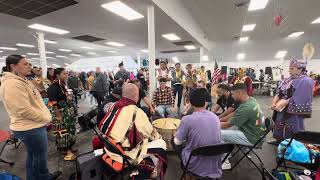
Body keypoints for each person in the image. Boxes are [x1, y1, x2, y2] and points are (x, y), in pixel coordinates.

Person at [0, 55, 61, 180]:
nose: (30, 66)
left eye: (29, 63)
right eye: (25, 64)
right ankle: (44, 177)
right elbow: (23, 110)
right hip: (30, 128)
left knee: (33, 156)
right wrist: (45, 118)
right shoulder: (12, 84)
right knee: (40, 158)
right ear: (13, 66)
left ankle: (35, 177)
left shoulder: (21, 80)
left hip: (31, 126)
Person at [98, 83, 167, 179]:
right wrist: (159, 136)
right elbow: (151, 133)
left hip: (109, 147)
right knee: (161, 143)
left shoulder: (113, 105)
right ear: (136, 96)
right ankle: (153, 172)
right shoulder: (137, 112)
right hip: (123, 155)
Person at [173, 88, 222, 179]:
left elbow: (177, 142)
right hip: (214, 165)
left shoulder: (187, 119)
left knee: (174, 141)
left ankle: (185, 169)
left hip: (195, 165)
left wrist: (176, 133)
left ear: (190, 103)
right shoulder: (215, 117)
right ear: (204, 102)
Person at [220, 83, 264, 169]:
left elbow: (228, 124)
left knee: (219, 134)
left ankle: (225, 163)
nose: (231, 96)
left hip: (252, 137)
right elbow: (234, 113)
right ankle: (227, 153)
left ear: (239, 93)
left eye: (232, 94)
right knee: (224, 129)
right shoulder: (250, 100)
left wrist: (212, 124)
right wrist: (219, 119)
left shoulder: (247, 108)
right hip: (254, 132)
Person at [270, 58, 313, 144]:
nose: (289, 70)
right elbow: (279, 92)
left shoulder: (305, 80)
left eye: (292, 68)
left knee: (291, 126)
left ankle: (292, 144)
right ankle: (279, 141)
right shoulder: (287, 80)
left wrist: (284, 102)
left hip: (293, 109)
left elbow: (301, 96)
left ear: (300, 69)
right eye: (289, 68)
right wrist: (274, 102)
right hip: (282, 108)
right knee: (279, 123)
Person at [47, 68, 77, 161]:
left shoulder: (62, 84)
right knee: (63, 132)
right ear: (58, 75)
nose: (66, 75)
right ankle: (67, 152)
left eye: (66, 73)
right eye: (64, 74)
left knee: (69, 130)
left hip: (66, 112)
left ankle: (67, 148)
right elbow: (53, 102)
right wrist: (58, 115)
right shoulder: (53, 86)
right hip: (59, 112)